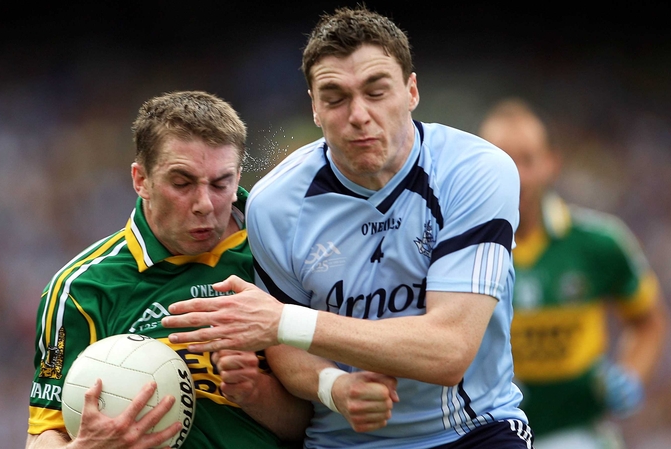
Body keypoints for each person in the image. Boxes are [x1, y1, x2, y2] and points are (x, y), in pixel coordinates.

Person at [161, 7, 533, 448]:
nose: (358, 115)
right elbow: (285, 347)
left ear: (411, 91)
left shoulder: (475, 171)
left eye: (376, 92)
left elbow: (449, 350)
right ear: (315, 108)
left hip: (471, 430)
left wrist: (285, 321)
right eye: (335, 98)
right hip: (341, 440)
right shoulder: (274, 204)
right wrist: (333, 387)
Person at [26, 90, 312, 449]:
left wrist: (255, 390)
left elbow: (314, 425)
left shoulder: (281, 254)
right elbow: (43, 434)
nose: (204, 204)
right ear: (141, 180)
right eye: (182, 183)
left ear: (238, 175)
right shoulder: (81, 289)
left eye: (221, 183)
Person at [477, 98, 671, 448]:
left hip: (578, 431)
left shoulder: (599, 243)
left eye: (527, 160)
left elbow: (649, 320)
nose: (515, 176)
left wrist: (631, 374)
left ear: (551, 163)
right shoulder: (458, 250)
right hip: (490, 434)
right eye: (501, 160)